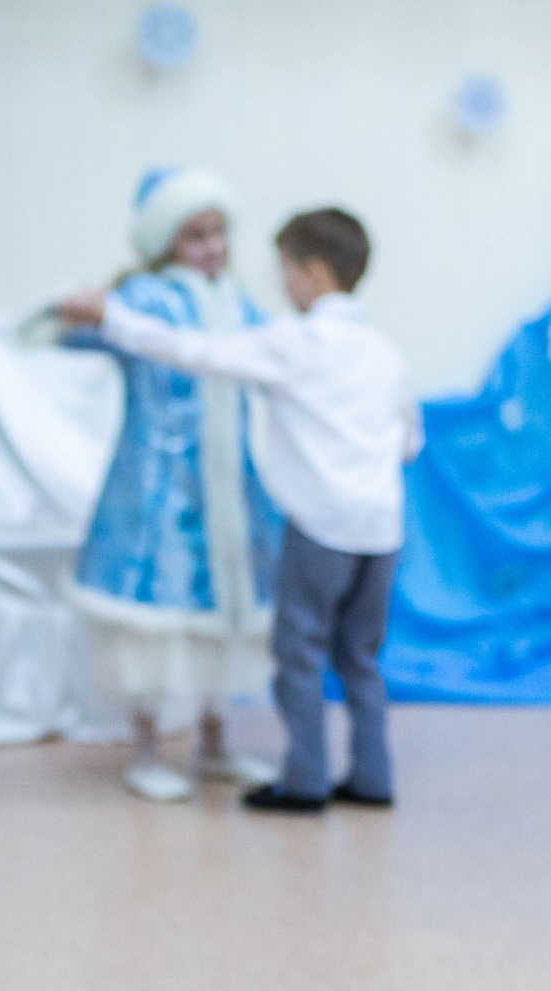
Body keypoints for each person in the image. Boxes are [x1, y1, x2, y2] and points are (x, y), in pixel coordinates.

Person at [56, 208, 419, 813]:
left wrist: (110, 317)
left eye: (286, 272)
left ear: (313, 272)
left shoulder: (294, 342)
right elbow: (410, 439)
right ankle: (372, 778)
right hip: (381, 533)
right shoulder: (384, 352)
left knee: (299, 655)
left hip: (320, 531)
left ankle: (305, 781)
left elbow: (194, 352)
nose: (282, 286)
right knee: (360, 658)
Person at [64, 167, 285, 801]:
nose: (212, 248)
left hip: (230, 489)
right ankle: (146, 750)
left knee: (223, 616)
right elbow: (74, 333)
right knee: (153, 622)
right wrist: (85, 312)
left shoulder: (235, 302)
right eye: (195, 235)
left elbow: (276, 355)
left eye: (219, 232)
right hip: (157, 490)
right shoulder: (146, 298)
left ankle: (216, 743)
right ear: (165, 241)